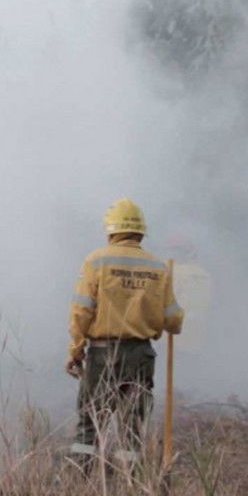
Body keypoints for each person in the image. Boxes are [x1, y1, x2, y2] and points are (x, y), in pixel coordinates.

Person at [66, 199, 184, 472]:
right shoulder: (158, 267)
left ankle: (80, 477)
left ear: (111, 230)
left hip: (102, 354)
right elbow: (173, 320)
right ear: (141, 232)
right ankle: (128, 481)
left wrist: (76, 350)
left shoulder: (97, 261)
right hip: (141, 355)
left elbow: (81, 311)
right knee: (133, 426)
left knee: (90, 422)